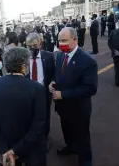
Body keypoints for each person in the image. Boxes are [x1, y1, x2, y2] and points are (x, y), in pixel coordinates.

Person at [0, 47, 47, 166]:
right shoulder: (36, 88)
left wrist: (5, 149)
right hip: (31, 148)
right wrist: (15, 150)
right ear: (23, 66)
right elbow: (39, 123)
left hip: (4, 145)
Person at [49, 27, 98, 166]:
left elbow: (90, 88)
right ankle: (71, 147)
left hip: (79, 108)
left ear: (75, 39)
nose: (60, 44)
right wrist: (53, 83)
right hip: (62, 106)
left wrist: (63, 94)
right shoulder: (59, 55)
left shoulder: (87, 61)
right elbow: (58, 74)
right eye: (59, 41)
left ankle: (85, 160)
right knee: (66, 130)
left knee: (82, 136)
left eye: (64, 40)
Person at [25, 33, 55, 149]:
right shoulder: (23, 58)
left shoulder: (48, 56)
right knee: (29, 117)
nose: (32, 48)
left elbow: (53, 73)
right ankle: (32, 138)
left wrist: (52, 82)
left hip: (44, 93)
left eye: (35, 45)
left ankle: (44, 138)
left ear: (40, 44)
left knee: (45, 117)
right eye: (29, 46)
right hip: (28, 94)